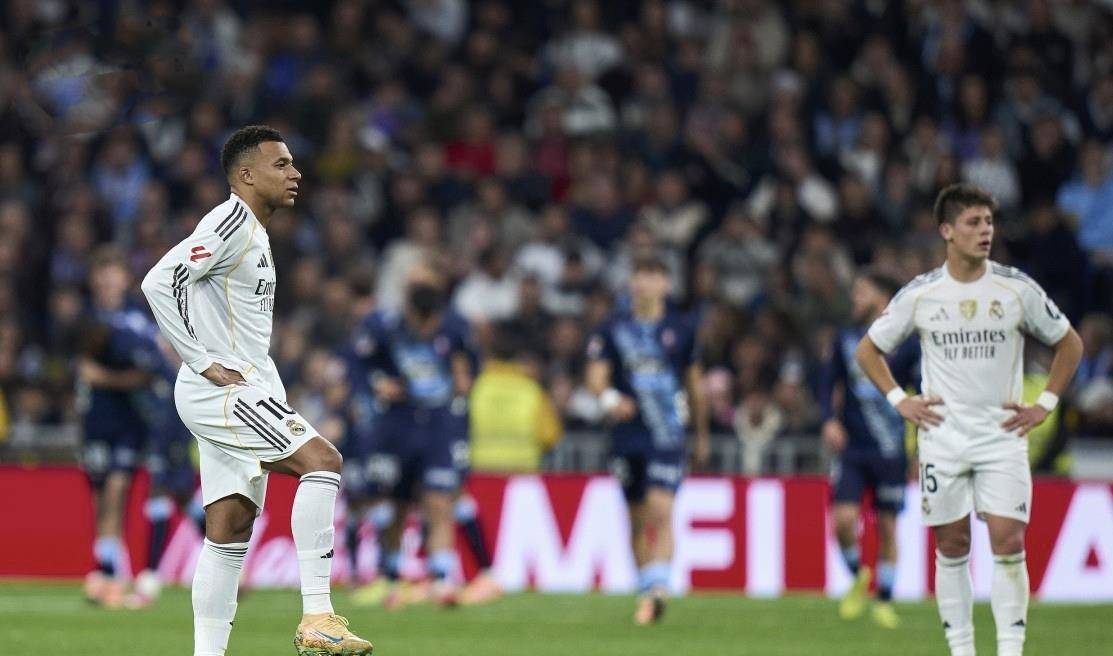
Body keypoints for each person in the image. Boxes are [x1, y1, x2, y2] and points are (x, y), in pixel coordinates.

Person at [140, 126, 373, 656]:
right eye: (281, 164)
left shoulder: (254, 231)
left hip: (242, 385)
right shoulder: (230, 222)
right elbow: (159, 281)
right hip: (221, 391)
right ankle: (318, 616)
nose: (295, 174)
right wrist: (201, 360)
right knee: (323, 462)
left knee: (229, 529)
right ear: (246, 175)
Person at [856, 183, 1083, 656]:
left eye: (989, 222)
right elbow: (868, 349)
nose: (986, 231)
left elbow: (1070, 343)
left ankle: (1010, 650)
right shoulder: (922, 294)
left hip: (1001, 437)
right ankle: (962, 650)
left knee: (1008, 539)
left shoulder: (1015, 288)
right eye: (974, 223)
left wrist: (1045, 404)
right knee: (953, 544)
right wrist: (899, 400)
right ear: (946, 231)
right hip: (943, 438)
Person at [585, 253, 709, 625]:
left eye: (652, 275)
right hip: (627, 435)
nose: (644, 282)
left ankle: (659, 588)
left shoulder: (681, 329)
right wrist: (611, 399)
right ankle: (646, 591)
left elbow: (694, 385)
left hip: (667, 433)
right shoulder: (613, 328)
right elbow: (595, 377)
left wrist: (701, 434)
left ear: (666, 284)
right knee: (637, 517)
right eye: (639, 274)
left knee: (661, 508)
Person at [349, 263, 476, 608]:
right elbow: (359, 364)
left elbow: (469, 366)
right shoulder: (384, 325)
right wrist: (378, 385)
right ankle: (392, 579)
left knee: (439, 501)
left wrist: (464, 382)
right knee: (397, 504)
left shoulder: (454, 325)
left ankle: (441, 580)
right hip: (399, 424)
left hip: (438, 425)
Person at [818, 269, 919, 628]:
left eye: (862, 292)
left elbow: (922, 391)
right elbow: (827, 382)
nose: (855, 298)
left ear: (882, 296)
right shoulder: (847, 338)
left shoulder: (908, 342)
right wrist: (828, 419)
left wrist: (920, 449)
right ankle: (859, 575)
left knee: (888, 526)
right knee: (843, 521)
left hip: (891, 449)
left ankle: (884, 600)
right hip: (853, 448)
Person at [77, 246, 157, 609]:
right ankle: (107, 571)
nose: (108, 281)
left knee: (117, 489)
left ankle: (110, 576)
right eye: (102, 275)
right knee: (100, 501)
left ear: (125, 279)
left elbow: (146, 372)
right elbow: (79, 366)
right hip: (95, 420)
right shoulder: (85, 316)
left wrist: (104, 377)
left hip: (129, 420)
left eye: (114, 274)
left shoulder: (136, 318)